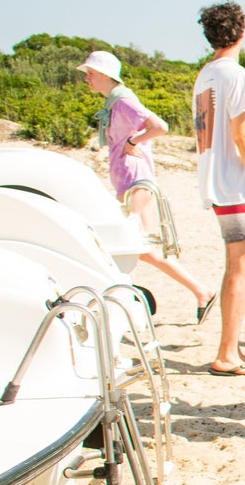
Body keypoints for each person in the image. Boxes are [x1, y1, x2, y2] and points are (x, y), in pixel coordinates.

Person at [77, 49, 215, 318]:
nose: (87, 79)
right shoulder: (114, 102)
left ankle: (198, 292)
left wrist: (132, 142)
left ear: (105, 75)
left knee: (136, 245)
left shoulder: (124, 101)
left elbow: (160, 126)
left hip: (136, 180)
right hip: (129, 181)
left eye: (90, 74)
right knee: (140, 247)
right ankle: (200, 292)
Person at [192, 0, 245, 378]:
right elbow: (244, 135)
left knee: (238, 266)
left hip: (213, 179)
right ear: (241, 33)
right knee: (242, 268)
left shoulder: (205, 74)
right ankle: (227, 353)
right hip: (234, 183)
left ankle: (232, 346)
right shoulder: (236, 76)